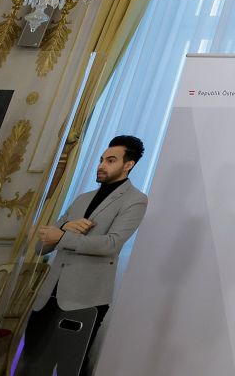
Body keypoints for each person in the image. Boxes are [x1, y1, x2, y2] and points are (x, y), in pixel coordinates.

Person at [16, 135, 149, 376]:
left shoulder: (136, 200)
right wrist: (64, 229)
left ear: (128, 165)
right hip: (48, 297)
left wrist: (62, 236)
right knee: (32, 365)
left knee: (71, 367)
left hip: (85, 300)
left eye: (110, 160)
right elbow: (42, 247)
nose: (101, 165)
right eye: (101, 160)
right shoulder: (82, 199)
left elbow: (112, 244)